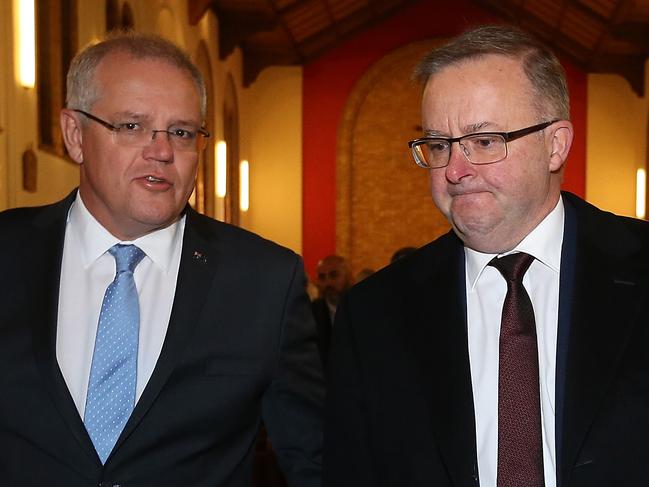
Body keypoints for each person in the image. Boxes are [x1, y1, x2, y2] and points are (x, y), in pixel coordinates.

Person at [324, 24, 649, 487]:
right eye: (438, 145)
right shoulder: (375, 313)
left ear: (555, 144)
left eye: (484, 141)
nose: (455, 170)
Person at [0, 32, 323, 486]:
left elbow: (316, 457)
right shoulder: (7, 252)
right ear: (75, 134)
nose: (163, 151)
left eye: (182, 132)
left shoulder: (264, 281)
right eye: (131, 126)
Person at [311, 255, 352, 366]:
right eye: (322, 277)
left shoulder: (362, 308)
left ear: (348, 276)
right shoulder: (310, 313)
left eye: (334, 275)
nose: (328, 283)